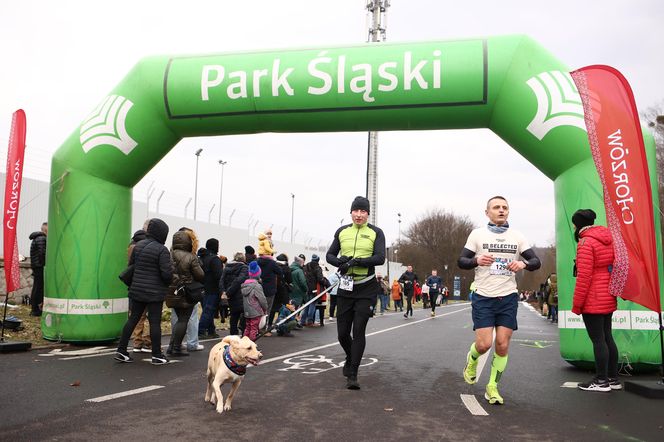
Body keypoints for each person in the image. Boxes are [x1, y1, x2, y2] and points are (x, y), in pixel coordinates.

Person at [458, 195, 541, 405]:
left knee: (502, 345)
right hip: (484, 296)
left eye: (505, 207)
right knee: (485, 344)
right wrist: (476, 260)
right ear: (487, 212)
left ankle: (492, 387)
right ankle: (472, 359)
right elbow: (462, 261)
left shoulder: (517, 236)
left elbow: (535, 261)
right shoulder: (477, 235)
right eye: (496, 207)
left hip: (508, 297)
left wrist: (523, 264)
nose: (501, 210)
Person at [326, 196, 385, 390]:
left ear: (368, 213)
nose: (359, 215)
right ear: (351, 212)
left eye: (362, 211)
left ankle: (353, 373)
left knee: (358, 330)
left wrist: (358, 261)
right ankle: (350, 356)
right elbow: (330, 255)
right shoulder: (342, 231)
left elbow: (380, 258)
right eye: (355, 211)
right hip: (345, 287)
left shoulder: (376, 232)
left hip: (366, 289)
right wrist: (341, 261)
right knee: (342, 334)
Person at [571, 209, 620, 392]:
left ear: (579, 224)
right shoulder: (608, 239)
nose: (574, 227)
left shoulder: (586, 242)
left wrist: (577, 304)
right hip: (608, 294)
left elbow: (584, 277)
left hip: (593, 297)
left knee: (598, 340)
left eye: (574, 223)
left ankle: (600, 381)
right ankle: (613, 378)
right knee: (608, 337)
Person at [114, 218, 172, 365]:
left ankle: (121, 350)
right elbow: (166, 274)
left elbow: (131, 266)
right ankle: (157, 355)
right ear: (163, 233)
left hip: (137, 290)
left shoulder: (138, 246)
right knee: (154, 323)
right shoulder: (162, 250)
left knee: (133, 319)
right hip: (154, 293)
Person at [165, 228, 205, 356]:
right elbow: (200, 275)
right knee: (184, 319)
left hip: (172, 290)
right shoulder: (191, 256)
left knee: (178, 319)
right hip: (186, 292)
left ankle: (171, 346)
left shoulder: (169, 254)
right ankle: (176, 347)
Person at [128, 226, 151, 353]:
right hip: (148, 287)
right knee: (149, 317)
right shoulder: (145, 248)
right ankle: (147, 342)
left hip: (134, 286)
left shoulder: (130, 247)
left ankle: (137, 343)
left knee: (137, 316)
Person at [198, 238, 223, 339]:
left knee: (207, 310)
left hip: (201, 288)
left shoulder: (202, 257)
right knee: (209, 311)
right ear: (215, 246)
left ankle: (211, 330)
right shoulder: (214, 259)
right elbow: (219, 276)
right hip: (212, 289)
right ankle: (201, 331)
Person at [219, 252, 248, 336]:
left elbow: (221, 281)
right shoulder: (244, 268)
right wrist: (228, 293)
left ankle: (233, 336)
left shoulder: (227, 267)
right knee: (244, 316)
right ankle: (244, 336)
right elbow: (239, 280)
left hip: (231, 297)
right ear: (243, 259)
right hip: (240, 295)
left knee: (233, 316)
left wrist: (224, 292)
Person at [257, 252, 283, 336]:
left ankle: (255, 328)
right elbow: (280, 272)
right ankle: (263, 330)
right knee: (266, 310)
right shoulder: (272, 263)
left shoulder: (257, 261)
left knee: (257, 309)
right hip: (269, 290)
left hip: (258, 288)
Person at [242, 261, 268, 341]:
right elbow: (262, 299)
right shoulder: (257, 286)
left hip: (247, 311)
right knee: (254, 329)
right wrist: (265, 308)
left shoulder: (244, 285)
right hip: (255, 311)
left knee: (247, 327)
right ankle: (251, 345)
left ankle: (243, 343)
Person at [300, 254, 329, 327]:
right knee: (312, 305)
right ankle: (310, 321)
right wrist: (325, 282)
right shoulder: (317, 267)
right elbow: (320, 278)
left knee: (306, 305)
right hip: (315, 289)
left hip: (307, 288)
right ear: (318, 260)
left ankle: (303, 321)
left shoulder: (306, 266)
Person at [28, 222, 48, 316]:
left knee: (37, 287)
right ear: (46, 230)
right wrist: (45, 264)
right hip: (39, 266)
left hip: (36, 265)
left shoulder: (38, 238)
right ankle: (35, 309)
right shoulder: (42, 238)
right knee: (38, 288)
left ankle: (35, 308)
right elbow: (42, 254)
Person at [289, 256, 308, 328]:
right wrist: (306, 289)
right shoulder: (299, 271)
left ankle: (292, 323)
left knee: (291, 309)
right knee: (296, 309)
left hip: (291, 291)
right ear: (300, 263)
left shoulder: (290, 268)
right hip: (298, 292)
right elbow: (303, 282)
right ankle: (293, 324)